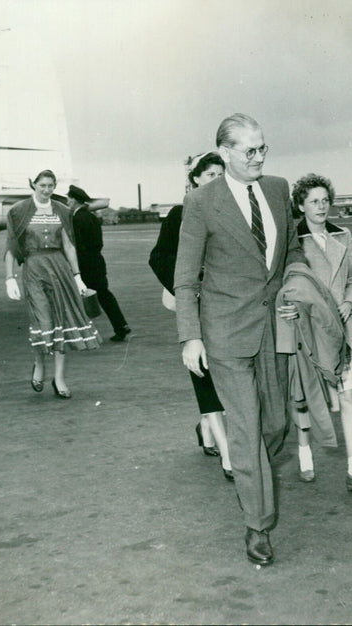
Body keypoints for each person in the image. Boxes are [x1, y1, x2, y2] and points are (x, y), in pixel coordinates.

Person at [174, 114, 305, 566]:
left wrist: (294, 291)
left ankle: (253, 477)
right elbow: (185, 277)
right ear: (224, 152)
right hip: (225, 331)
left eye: (263, 148)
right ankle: (257, 523)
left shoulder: (278, 189)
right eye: (250, 151)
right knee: (246, 429)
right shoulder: (202, 202)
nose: (259, 157)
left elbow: (292, 252)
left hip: (274, 327)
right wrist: (190, 337)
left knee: (276, 426)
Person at [282, 173, 352, 491]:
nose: (321, 206)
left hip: (342, 330)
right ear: (300, 205)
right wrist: (290, 308)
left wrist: (351, 302)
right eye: (314, 201)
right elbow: (286, 286)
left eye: (325, 200)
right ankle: (304, 451)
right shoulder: (293, 243)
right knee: (303, 397)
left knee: (348, 397)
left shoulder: (344, 236)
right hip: (307, 330)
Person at [149, 152, 232, 478]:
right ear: (195, 178)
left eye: (220, 174)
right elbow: (158, 257)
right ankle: (228, 454)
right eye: (210, 174)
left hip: (228, 304)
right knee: (204, 374)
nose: (216, 180)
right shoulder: (180, 214)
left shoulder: (230, 210)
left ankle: (206, 427)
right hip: (196, 306)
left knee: (225, 371)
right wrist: (187, 286)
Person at [4, 169, 101, 399]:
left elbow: (68, 245)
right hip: (34, 269)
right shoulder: (18, 211)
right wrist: (9, 277)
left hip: (60, 269)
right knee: (43, 320)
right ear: (33, 185)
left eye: (51, 185)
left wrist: (77, 275)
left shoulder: (63, 211)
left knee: (62, 320)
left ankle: (59, 378)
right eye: (42, 185)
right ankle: (39, 364)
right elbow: (11, 246)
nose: (47, 190)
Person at [64, 184, 131, 343]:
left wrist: (74, 267)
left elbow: (77, 245)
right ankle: (121, 325)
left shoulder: (76, 219)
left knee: (78, 298)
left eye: (68, 199)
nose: (67, 202)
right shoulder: (92, 217)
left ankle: (83, 333)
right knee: (104, 295)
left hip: (84, 264)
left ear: (74, 200)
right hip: (97, 262)